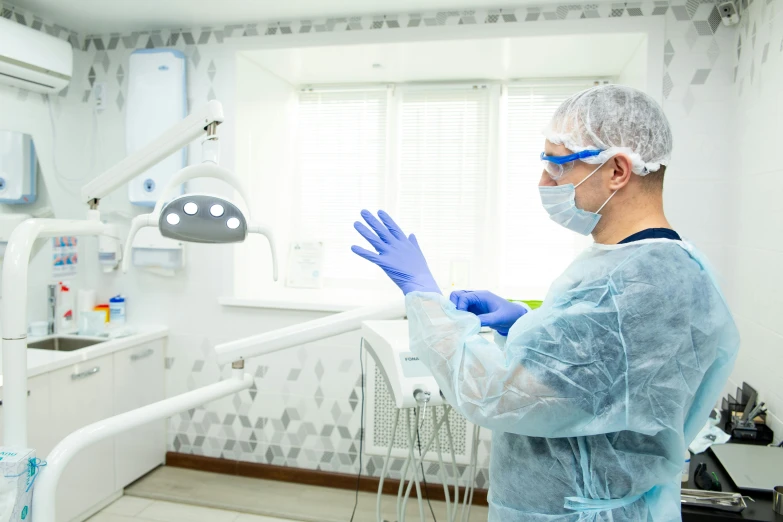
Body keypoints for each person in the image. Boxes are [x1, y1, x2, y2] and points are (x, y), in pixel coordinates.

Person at [351, 85, 739, 521]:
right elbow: (608, 371)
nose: (543, 182)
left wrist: (422, 296)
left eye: (557, 165)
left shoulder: (639, 284)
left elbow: (495, 395)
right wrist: (524, 321)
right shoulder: (654, 267)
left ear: (617, 170)